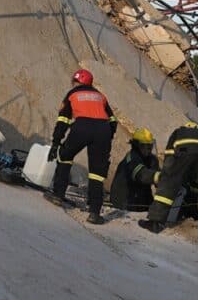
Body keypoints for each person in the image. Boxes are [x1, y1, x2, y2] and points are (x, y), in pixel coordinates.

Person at [45, 69, 117, 224]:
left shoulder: (72, 94)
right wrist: (107, 139)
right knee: (97, 173)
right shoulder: (100, 96)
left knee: (65, 157)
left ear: (76, 82)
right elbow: (112, 121)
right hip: (103, 130)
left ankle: (58, 195)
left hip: (82, 126)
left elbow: (63, 120)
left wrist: (56, 143)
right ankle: (94, 213)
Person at [138, 121, 198, 242]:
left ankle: (154, 222)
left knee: (169, 182)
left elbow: (169, 159)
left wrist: (167, 177)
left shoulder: (178, 133)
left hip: (187, 150)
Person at [109, 128, 160, 212]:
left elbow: (158, 181)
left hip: (141, 199)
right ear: (137, 145)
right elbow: (142, 175)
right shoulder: (132, 159)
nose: (149, 149)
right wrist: (160, 177)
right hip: (125, 201)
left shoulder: (152, 159)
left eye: (150, 146)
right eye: (146, 146)